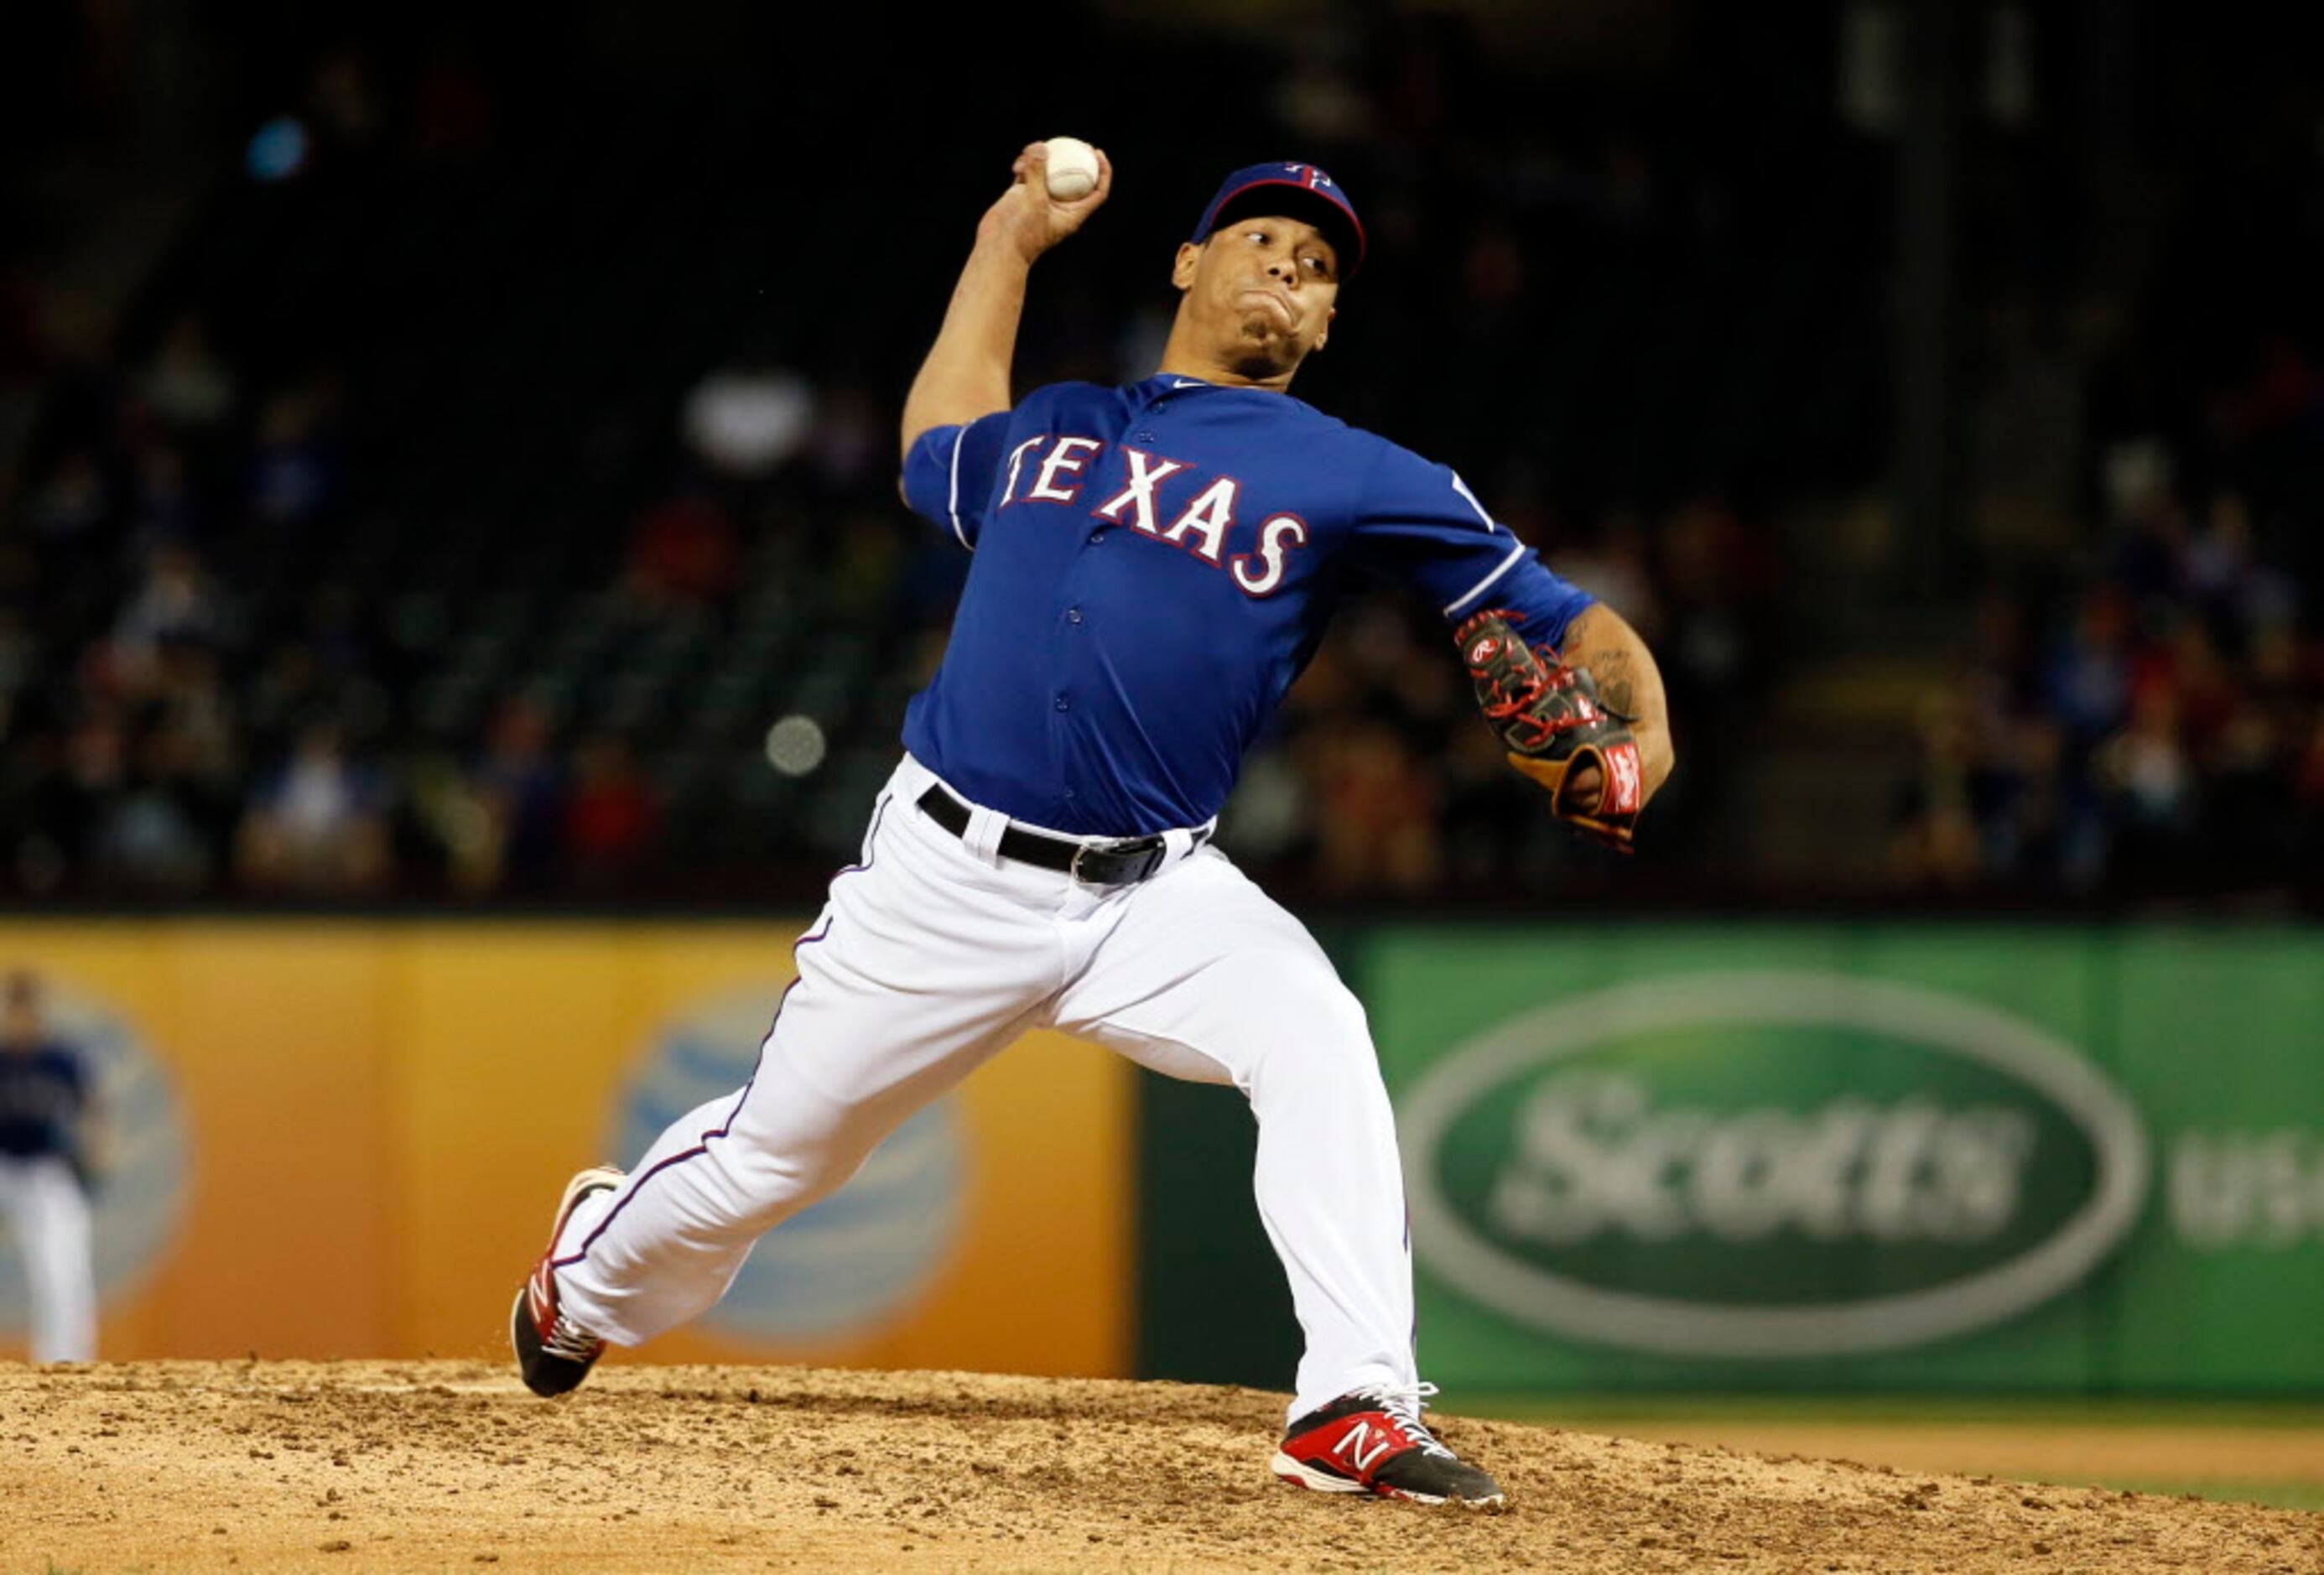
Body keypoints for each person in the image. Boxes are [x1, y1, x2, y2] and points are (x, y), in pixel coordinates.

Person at [513, 146, 1674, 1508]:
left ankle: (1352, 1399)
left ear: (1327, 323)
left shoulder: (1359, 474)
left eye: (1318, 272)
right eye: (1265, 243)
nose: (1290, 275)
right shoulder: (1057, 422)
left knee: (1317, 1030)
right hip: (946, 873)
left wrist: (1642, 740)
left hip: (1155, 892)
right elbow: (931, 447)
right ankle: (586, 1267)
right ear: (1189, 263)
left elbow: (1564, 615)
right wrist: (1007, 241)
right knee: (777, 1157)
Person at [0, 970, 100, 1363]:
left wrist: (96, 1150)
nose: (24, 1016)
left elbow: (93, 1108)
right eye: (17, 1007)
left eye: (31, 1008)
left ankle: (65, 1365)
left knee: (62, 1266)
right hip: (3, 1164)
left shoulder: (62, 1060)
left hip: (45, 1169)